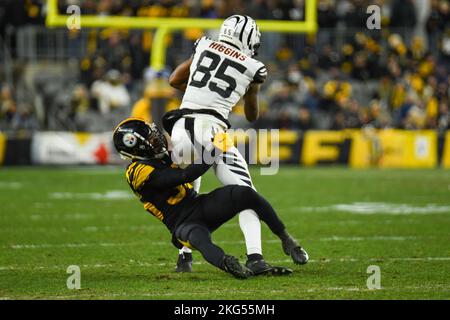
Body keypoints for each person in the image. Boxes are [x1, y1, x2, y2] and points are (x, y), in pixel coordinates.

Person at [165, 15, 308, 274]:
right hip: (211, 130)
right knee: (245, 193)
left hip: (180, 128)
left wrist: (201, 92)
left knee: (189, 191)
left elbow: (174, 80)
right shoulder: (254, 66)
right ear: (249, 39)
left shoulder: (204, 44)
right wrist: (250, 90)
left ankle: (184, 258)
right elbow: (252, 115)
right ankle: (255, 258)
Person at [112, 118, 308, 278]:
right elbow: (185, 175)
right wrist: (215, 148)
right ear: (136, 147)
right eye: (151, 139)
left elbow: (186, 148)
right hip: (181, 223)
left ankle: (287, 239)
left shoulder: (159, 156)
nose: (158, 139)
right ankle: (226, 263)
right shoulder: (137, 172)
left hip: (199, 206)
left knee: (245, 193)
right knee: (200, 239)